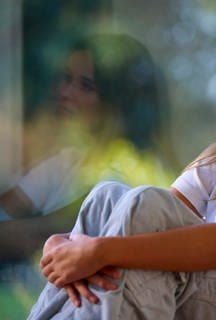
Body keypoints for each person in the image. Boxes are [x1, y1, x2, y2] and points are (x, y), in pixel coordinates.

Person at [28, 19, 216, 320]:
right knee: (106, 197)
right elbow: (151, 223)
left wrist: (99, 251)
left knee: (142, 204)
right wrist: (63, 243)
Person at [0, 33, 174, 262]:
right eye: (65, 79)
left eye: (86, 85)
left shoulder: (127, 167)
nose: (64, 92)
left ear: (117, 98)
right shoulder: (68, 160)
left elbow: (48, 233)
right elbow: (10, 207)